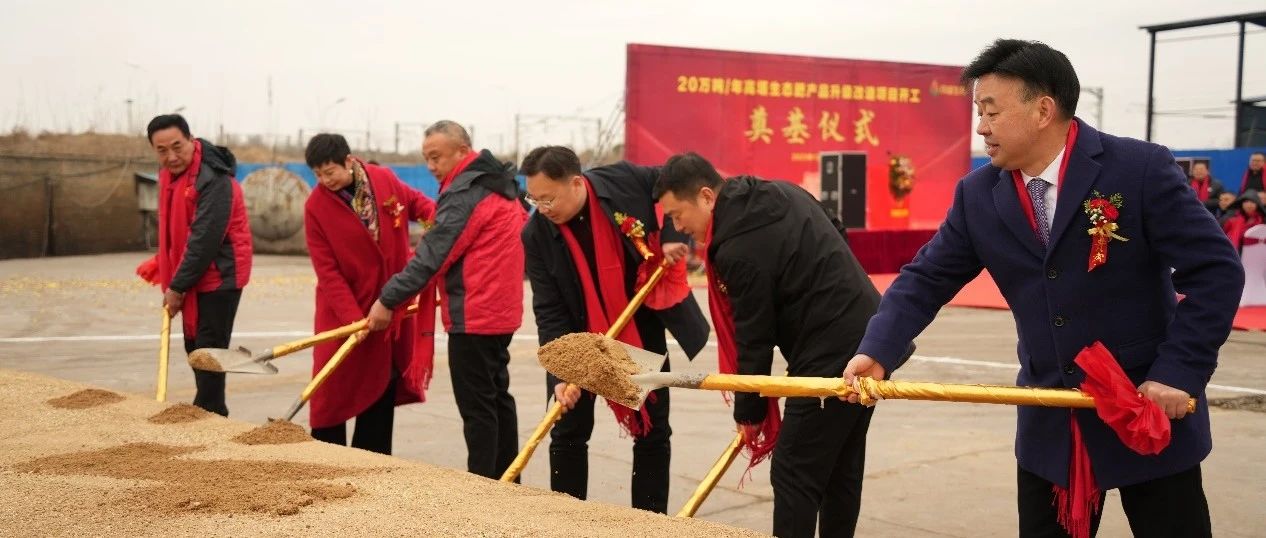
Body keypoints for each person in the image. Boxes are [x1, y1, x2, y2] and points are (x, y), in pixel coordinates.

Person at [842, 39, 1243, 538]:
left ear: (1043, 110)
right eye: (977, 112)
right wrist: (877, 350)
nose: (981, 128)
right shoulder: (978, 194)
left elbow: (1217, 271)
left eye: (991, 111)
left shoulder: (1137, 170)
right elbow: (926, 279)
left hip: (1147, 408)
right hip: (1051, 420)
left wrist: (1178, 373)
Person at [656, 152, 885, 537]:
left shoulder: (736, 246)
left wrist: (749, 412)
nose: (678, 227)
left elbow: (754, 335)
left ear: (707, 197)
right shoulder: (776, 191)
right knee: (839, 463)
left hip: (831, 347)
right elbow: (835, 227)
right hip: (870, 329)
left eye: (678, 215)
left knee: (794, 469)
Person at [520, 146, 709, 513]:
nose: (543, 208)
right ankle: (570, 518)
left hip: (639, 324)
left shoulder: (621, 182)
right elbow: (548, 307)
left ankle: (649, 520)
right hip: (578, 337)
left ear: (576, 183)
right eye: (534, 199)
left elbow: (671, 179)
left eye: (549, 198)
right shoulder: (536, 234)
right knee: (567, 429)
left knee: (653, 431)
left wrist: (672, 232)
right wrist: (561, 370)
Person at [366, 121, 526, 479]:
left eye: (436, 157)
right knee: (497, 397)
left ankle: (483, 484)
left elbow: (433, 256)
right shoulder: (497, 182)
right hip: (501, 309)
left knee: (479, 406)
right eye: (426, 158)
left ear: (461, 151)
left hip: (477, 313)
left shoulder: (467, 191)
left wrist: (387, 299)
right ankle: (509, 479)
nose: (431, 166)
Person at [302, 133, 437, 454]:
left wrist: (441, 230)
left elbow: (419, 205)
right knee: (331, 390)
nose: (325, 180)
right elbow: (328, 273)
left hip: (390, 305)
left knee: (380, 386)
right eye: (318, 175)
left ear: (349, 161)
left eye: (330, 171)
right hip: (345, 314)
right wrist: (354, 319)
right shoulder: (315, 207)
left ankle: (372, 462)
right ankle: (326, 458)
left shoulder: (383, 178)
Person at [135, 114, 252, 417]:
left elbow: (204, 239)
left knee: (207, 352)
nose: (171, 157)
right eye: (162, 150)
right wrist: (165, 263)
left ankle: (209, 415)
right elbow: (174, 229)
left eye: (177, 147)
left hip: (219, 276)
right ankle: (210, 411)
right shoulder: (169, 174)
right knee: (193, 346)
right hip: (191, 273)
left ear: (191, 139)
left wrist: (177, 286)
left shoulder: (214, 178)